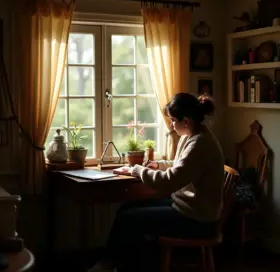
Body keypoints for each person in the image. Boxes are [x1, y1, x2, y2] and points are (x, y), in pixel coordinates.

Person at [88, 93, 224, 272]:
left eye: (173, 120)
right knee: (126, 209)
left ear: (187, 120)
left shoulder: (200, 143)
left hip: (198, 221)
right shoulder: (191, 136)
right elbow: (181, 167)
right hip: (186, 208)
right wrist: (158, 164)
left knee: (129, 219)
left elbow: (169, 181)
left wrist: (137, 169)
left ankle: (116, 264)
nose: (171, 124)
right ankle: (118, 263)